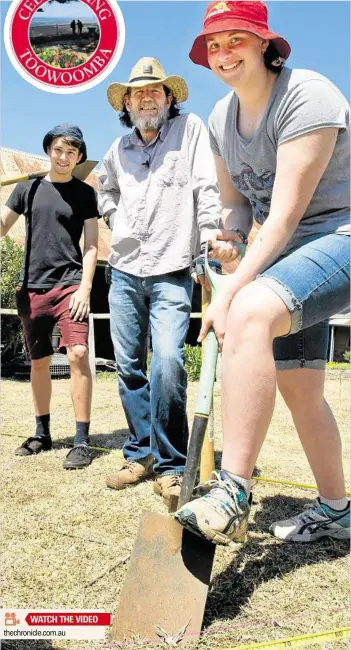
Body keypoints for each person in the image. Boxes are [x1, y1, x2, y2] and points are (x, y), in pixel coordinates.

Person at [175, 1, 350, 543]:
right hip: (286, 256)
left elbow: (287, 214)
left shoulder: (307, 94)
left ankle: (232, 489)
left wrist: (231, 293)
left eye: (237, 40)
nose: (224, 53)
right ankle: (338, 511)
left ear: (264, 45)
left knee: (248, 311)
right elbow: (240, 210)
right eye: (215, 44)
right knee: (301, 389)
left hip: (337, 237)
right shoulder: (220, 120)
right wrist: (229, 242)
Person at [98, 57, 223, 506]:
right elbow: (104, 189)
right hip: (125, 269)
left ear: (169, 99)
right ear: (126, 103)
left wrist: (209, 235)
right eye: (137, 93)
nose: (146, 98)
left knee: (167, 360)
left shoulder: (190, 132)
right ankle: (141, 453)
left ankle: (171, 465)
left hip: (173, 266)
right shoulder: (117, 149)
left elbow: (206, 186)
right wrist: (115, 215)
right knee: (129, 366)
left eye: (155, 91)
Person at [1, 124, 100, 470]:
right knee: (39, 361)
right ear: (49, 150)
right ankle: (41, 433)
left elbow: (90, 245)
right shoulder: (27, 190)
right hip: (32, 288)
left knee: (78, 353)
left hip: (71, 284)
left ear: (79, 157)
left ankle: (82, 440)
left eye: (71, 152)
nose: (63, 157)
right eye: (58, 149)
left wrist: (86, 288)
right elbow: (2, 226)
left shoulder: (85, 194)